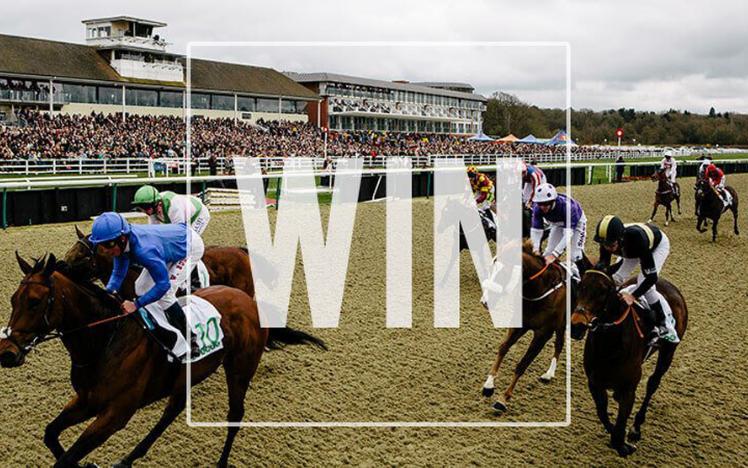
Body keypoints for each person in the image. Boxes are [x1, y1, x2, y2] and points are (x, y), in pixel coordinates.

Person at [89, 212, 204, 359]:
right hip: (167, 248)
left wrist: (136, 305)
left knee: (166, 295)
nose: (104, 250)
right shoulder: (123, 243)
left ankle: (190, 337)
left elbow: (163, 285)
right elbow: (118, 272)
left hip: (190, 247)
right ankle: (160, 321)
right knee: (140, 287)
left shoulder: (144, 250)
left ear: (122, 238)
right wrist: (108, 292)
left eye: (107, 244)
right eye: (100, 245)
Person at [593, 215, 678, 347]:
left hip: (654, 246)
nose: (608, 248)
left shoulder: (637, 240)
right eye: (605, 245)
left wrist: (633, 296)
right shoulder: (607, 242)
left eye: (611, 245)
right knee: (616, 279)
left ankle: (664, 324)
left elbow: (652, 278)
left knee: (645, 283)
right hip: (629, 248)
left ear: (620, 239)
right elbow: (606, 270)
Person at [529, 183, 587, 280]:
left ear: (553, 201)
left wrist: (554, 255)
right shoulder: (536, 209)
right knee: (547, 253)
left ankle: (584, 279)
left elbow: (567, 235)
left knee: (575, 255)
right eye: (540, 204)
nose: (543, 207)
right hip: (557, 223)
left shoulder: (567, 207)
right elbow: (536, 231)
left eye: (547, 203)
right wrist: (535, 250)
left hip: (576, 224)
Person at [131, 185, 211, 236]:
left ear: (158, 203)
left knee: (189, 242)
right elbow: (154, 232)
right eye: (142, 208)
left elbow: (178, 232)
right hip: (186, 213)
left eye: (147, 208)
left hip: (199, 214)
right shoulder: (154, 206)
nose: (146, 212)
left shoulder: (173, 207)